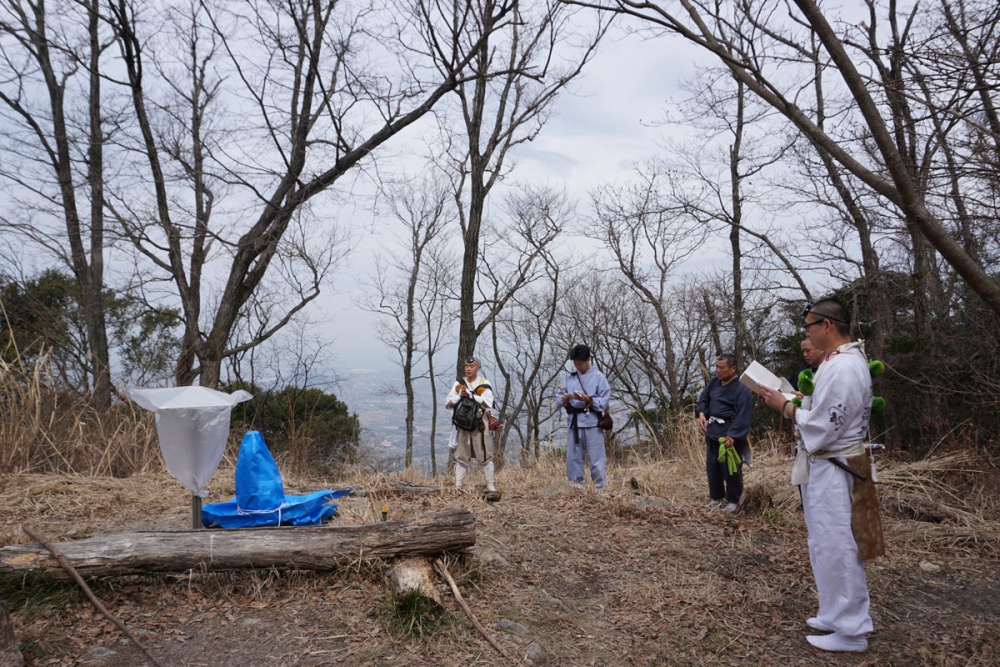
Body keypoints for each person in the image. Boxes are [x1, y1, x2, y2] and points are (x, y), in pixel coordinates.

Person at [757, 299, 881, 653]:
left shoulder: (843, 367)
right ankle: (833, 611)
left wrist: (785, 407)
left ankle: (852, 629)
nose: (807, 333)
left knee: (839, 543)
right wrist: (801, 401)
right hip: (830, 464)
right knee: (824, 542)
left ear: (827, 326)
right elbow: (827, 411)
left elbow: (827, 427)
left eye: (810, 326)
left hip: (837, 465)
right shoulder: (839, 363)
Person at [696, 354, 753, 512]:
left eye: (722, 368)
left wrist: (733, 435)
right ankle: (716, 497)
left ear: (733, 369)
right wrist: (702, 413)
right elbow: (703, 399)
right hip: (712, 430)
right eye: (716, 367)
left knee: (731, 468)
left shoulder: (741, 389)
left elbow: (743, 415)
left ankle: (734, 501)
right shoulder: (714, 383)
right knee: (712, 466)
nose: (718, 370)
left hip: (729, 431)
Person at [559, 344, 611, 489]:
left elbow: (604, 401)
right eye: (575, 363)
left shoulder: (599, 377)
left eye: (580, 363)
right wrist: (564, 399)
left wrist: (589, 399)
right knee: (574, 459)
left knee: (596, 460)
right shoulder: (570, 378)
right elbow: (559, 396)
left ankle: (600, 488)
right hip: (574, 422)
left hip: (592, 423)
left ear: (588, 360)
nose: (577, 366)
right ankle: (576, 487)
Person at [446, 356, 496, 492]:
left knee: (485, 455)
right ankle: (458, 485)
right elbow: (448, 403)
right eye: (467, 366)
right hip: (463, 424)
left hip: (479, 424)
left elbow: (488, 403)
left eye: (472, 366)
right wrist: (459, 396)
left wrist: (472, 396)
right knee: (461, 455)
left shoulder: (484, 383)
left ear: (478, 368)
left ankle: (490, 485)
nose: (468, 369)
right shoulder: (459, 384)